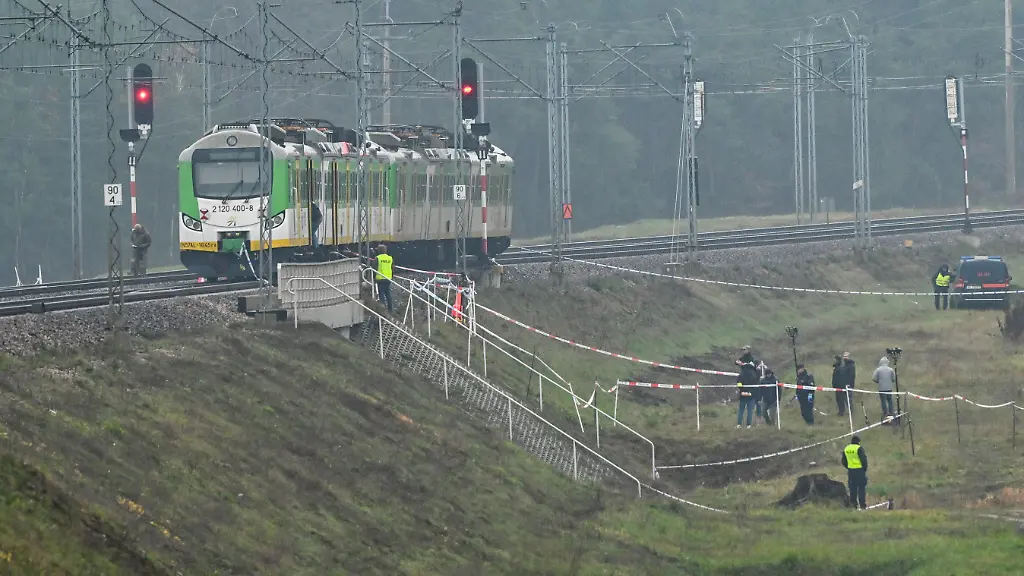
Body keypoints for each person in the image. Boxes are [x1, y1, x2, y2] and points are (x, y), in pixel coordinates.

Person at [841, 435, 868, 510]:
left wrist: (849, 466)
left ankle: (853, 505)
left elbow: (843, 461)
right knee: (861, 488)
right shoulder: (859, 448)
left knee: (852, 489)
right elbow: (863, 460)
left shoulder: (846, 449)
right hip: (859, 471)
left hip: (851, 471)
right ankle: (862, 505)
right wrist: (864, 469)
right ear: (858, 441)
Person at [735, 346, 757, 429]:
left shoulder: (741, 375)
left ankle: (739, 424)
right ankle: (748, 425)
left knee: (741, 410)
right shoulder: (753, 375)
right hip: (750, 394)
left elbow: (739, 383)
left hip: (743, 394)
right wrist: (751, 392)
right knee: (749, 410)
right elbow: (755, 384)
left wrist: (741, 390)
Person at [872, 356, 896, 421]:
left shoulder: (878, 370)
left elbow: (873, 378)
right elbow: (893, 379)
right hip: (889, 388)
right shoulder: (891, 370)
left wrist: (878, 382)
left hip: (881, 388)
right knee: (890, 400)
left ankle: (885, 413)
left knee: (883, 401)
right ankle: (891, 412)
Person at [836, 352, 856, 417]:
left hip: (849, 385)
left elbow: (852, 375)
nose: (845, 357)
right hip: (843, 385)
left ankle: (851, 412)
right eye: (844, 356)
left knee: (849, 399)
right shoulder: (844, 365)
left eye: (846, 356)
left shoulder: (851, 365)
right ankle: (848, 411)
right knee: (844, 398)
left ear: (849, 357)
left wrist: (849, 384)